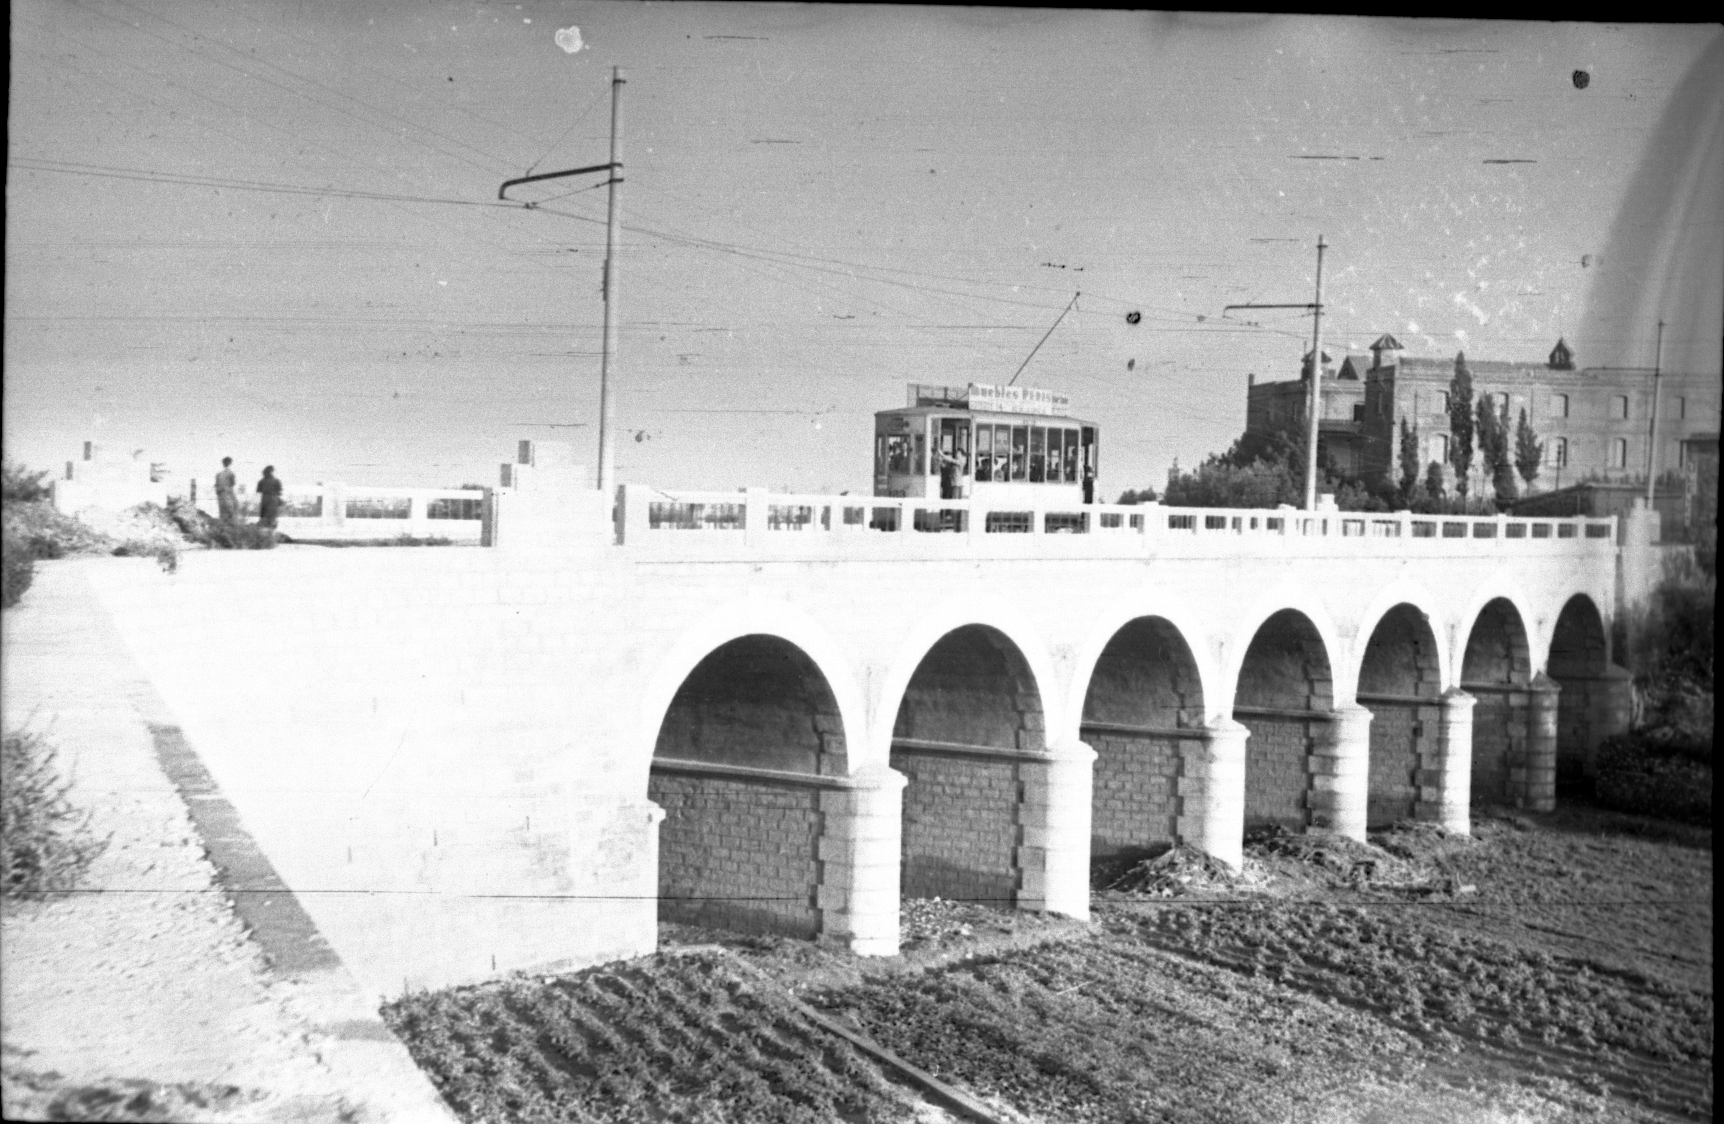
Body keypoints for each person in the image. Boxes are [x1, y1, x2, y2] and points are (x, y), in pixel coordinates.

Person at [215, 457, 238, 522]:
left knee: (222, 511)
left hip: (220, 493)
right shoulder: (231, 473)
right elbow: (233, 483)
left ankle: (223, 525)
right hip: (227, 492)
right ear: (229, 463)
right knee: (233, 508)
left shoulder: (218, 474)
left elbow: (216, 485)